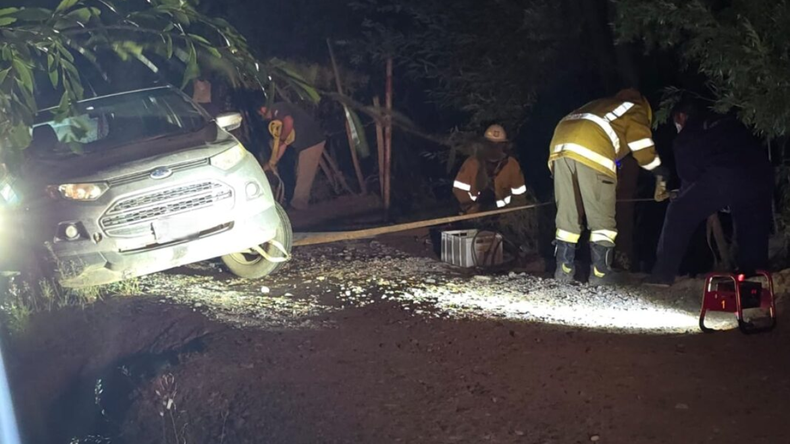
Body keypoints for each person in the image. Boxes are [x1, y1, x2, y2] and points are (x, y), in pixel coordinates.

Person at [646, 100, 774, 286]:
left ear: (680, 117)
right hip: (762, 174)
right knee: (750, 223)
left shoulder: (687, 135)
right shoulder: (726, 122)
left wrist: (681, 195)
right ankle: (754, 280)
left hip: (726, 173)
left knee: (678, 211)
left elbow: (689, 177)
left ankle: (662, 274)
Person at [549, 88, 667, 285]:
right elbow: (641, 145)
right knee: (601, 215)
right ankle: (601, 273)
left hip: (559, 148)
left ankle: (563, 270)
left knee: (568, 213)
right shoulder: (634, 109)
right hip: (593, 148)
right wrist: (658, 170)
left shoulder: (601, 105)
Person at [259, 102, 327, 210]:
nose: (264, 117)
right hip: (306, 143)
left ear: (263, 109)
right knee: (301, 172)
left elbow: (289, 122)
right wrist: (272, 163)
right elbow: (283, 144)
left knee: (305, 173)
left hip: (312, 141)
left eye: (261, 114)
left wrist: (281, 139)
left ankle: (299, 205)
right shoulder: (277, 118)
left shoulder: (278, 109)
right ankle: (297, 204)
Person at [452, 125, 528, 214]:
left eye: (498, 145)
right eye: (491, 144)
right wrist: (471, 207)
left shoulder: (511, 164)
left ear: (504, 145)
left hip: (503, 215)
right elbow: (459, 189)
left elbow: (519, 193)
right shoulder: (472, 163)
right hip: (475, 215)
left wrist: (514, 212)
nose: (494, 147)